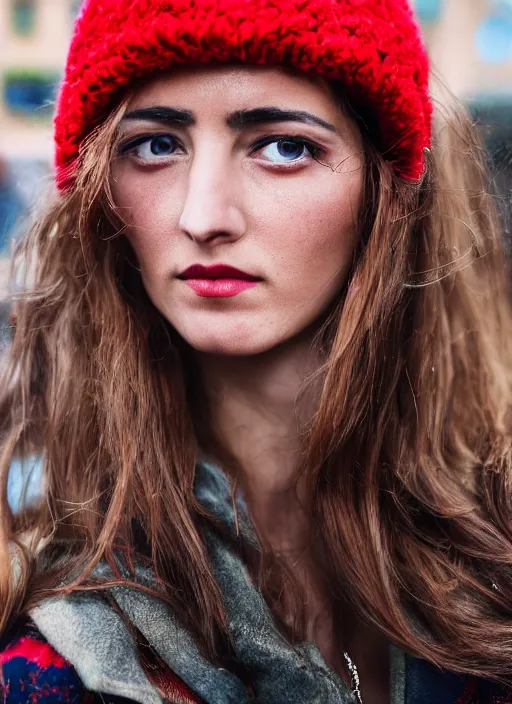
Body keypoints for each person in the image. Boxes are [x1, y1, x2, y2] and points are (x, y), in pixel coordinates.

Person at [0, 0, 511, 702]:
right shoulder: (45, 662)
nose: (203, 216)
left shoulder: (496, 546)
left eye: (284, 146)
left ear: (385, 191)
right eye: (155, 145)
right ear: (98, 192)